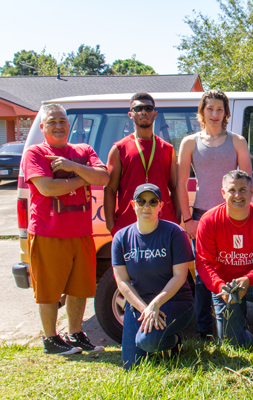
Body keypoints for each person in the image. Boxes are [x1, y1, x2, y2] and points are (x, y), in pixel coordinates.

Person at [22, 103, 109, 355]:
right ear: (42, 127)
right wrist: (85, 177)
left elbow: (103, 178)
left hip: (81, 232)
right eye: (52, 122)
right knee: (49, 289)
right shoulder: (35, 153)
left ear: (69, 125)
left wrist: (72, 167)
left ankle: (75, 334)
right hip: (48, 232)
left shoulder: (83, 150)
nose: (58, 126)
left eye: (62, 121)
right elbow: (47, 188)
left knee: (79, 287)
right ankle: (50, 339)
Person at [177, 90, 253, 339]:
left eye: (219, 109)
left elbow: (247, 183)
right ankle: (204, 331)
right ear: (202, 112)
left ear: (226, 113)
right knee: (202, 276)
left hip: (232, 218)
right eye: (209, 108)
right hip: (200, 217)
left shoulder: (237, 141)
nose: (214, 114)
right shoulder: (189, 142)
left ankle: (234, 326)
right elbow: (180, 184)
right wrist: (187, 219)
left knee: (233, 270)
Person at [195, 170, 253, 362]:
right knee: (232, 345)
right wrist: (219, 287)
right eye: (232, 190)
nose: (237, 195)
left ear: (252, 192)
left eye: (243, 189)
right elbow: (203, 263)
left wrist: (249, 279)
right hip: (225, 286)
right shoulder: (209, 220)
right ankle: (245, 335)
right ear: (223, 193)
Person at [111, 184, 194, 369]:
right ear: (133, 205)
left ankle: (172, 342)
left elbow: (180, 276)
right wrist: (145, 309)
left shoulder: (175, 233)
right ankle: (158, 337)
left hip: (174, 302)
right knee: (131, 366)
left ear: (160, 206)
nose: (146, 206)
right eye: (141, 201)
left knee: (148, 342)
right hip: (140, 305)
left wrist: (155, 305)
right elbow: (122, 281)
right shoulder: (121, 238)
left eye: (152, 201)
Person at [104, 92, 180, 236]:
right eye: (138, 109)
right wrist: (111, 226)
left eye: (148, 108)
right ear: (130, 114)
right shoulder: (119, 148)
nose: (143, 112)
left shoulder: (167, 148)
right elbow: (110, 190)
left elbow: (175, 188)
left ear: (155, 113)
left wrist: (177, 220)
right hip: (128, 225)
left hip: (163, 224)